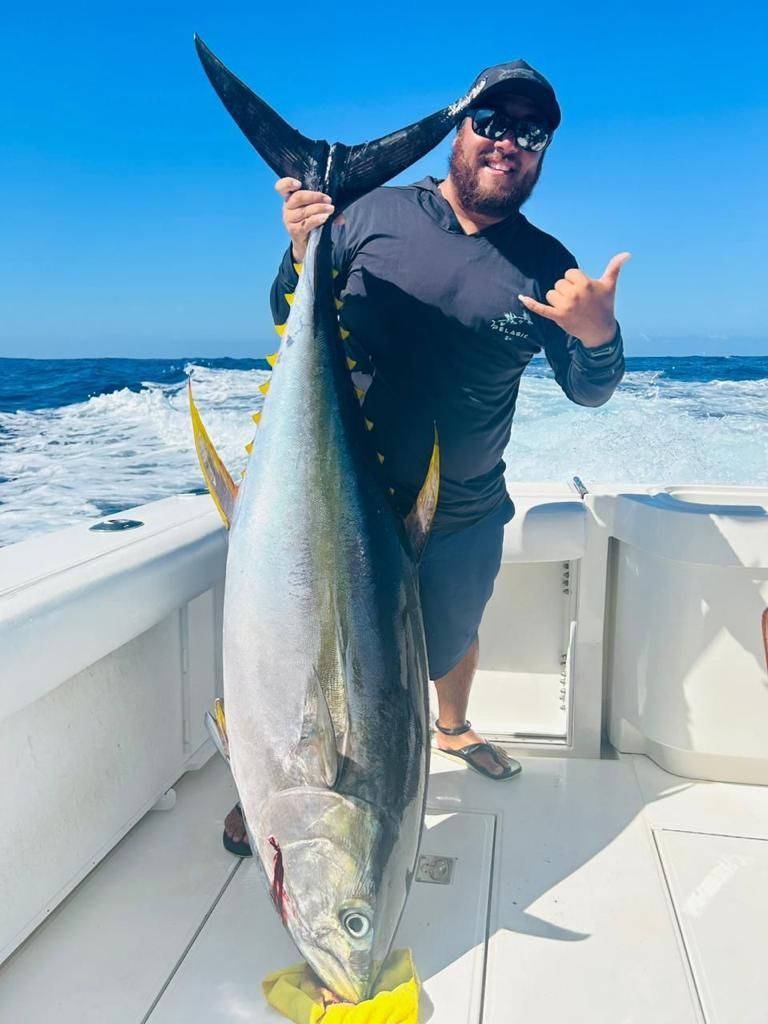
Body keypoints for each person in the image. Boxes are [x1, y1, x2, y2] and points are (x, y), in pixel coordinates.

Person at [223, 60, 627, 855]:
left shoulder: (548, 263)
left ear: (542, 154)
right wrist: (301, 248)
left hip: (463, 507)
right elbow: (286, 307)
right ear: (460, 133)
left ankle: (453, 726)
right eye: (493, 123)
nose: (510, 142)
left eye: (531, 132)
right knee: (297, 648)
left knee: (449, 639)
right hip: (340, 502)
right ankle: (269, 778)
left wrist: (599, 336)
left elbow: (589, 390)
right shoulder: (368, 212)